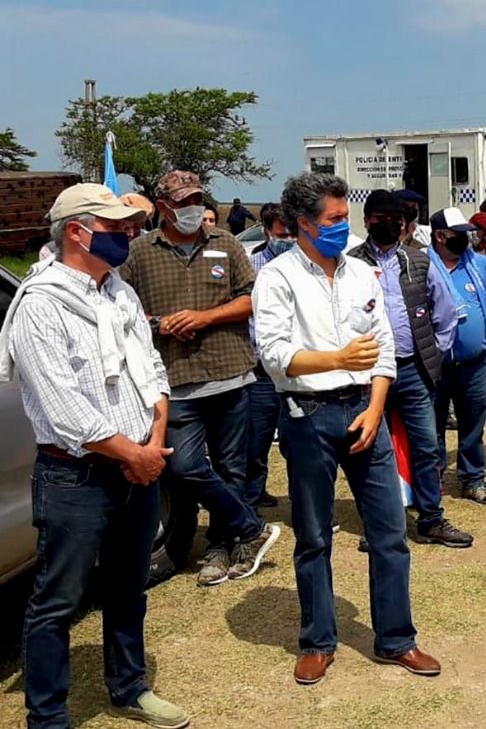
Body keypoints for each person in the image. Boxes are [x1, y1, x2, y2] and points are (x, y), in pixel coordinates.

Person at [1, 185, 189, 729]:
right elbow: (66, 410)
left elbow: (150, 369)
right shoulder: (41, 305)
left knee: (128, 588)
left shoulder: (118, 292)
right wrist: (136, 454)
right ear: (78, 233)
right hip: (76, 475)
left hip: (138, 466)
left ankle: (128, 687)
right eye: (116, 227)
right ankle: (49, 716)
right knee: (58, 600)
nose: (129, 234)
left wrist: (152, 441)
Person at [253, 172, 442, 685]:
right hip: (307, 416)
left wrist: (377, 407)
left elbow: (382, 346)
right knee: (313, 536)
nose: (342, 228)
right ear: (302, 226)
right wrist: (336, 358)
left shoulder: (361, 274)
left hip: (366, 411)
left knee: (389, 532)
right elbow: (273, 356)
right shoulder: (276, 278)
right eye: (333, 220)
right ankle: (317, 640)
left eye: (343, 218)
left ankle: (397, 639)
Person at [119, 170, 279, 588]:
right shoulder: (138, 253)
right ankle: (248, 524)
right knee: (186, 465)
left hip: (230, 374)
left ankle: (221, 545)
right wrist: (162, 324)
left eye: (197, 200)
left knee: (231, 466)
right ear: (164, 206)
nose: (193, 208)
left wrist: (206, 317)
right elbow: (121, 312)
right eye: (183, 201)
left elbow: (252, 299)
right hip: (174, 381)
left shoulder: (225, 244)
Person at [347, 190, 470, 547]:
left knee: (426, 445)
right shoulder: (350, 263)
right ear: (366, 220)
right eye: (378, 219)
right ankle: (382, 523)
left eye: (394, 220)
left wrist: (434, 354)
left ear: (403, 225)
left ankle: (431, 517)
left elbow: (446, 313)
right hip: (370, 374)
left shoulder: (419, 260)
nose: (386, 225)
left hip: (414, 370)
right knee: (371, 448)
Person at [430, 206, 486, 505]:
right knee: (432, 425)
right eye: (459, 235)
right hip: (434, 366)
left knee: (473, 423)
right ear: (440, 236)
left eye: (468, 234)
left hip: (473, 363)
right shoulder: (422, 265)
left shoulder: (479, 265)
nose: (466, 239)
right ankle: (434, 480)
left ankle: (472, 479)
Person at [245, 202, 296, 510]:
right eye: (281, 233)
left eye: (292, 233)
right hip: (260, 371)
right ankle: (252, 500)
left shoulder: (306, 267)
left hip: (298, 371)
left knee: (298, 443)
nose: (287, 239)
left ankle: (304, 501)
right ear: (267, 232)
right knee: (255, 440)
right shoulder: (250, 267)